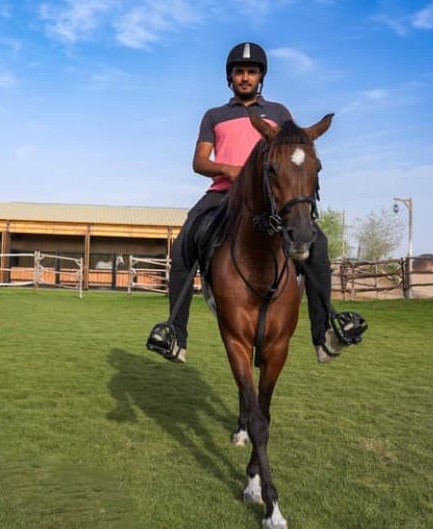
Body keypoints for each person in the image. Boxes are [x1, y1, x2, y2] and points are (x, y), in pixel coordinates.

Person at [145, 42, 365, 364]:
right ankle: (175, 333)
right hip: (222, 194)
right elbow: (199, 161)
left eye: (251, 72)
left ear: (260, 77)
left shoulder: (278, 113)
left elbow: (292, 151)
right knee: (182, 246)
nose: (245, 77)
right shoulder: (214, 116)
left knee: (318, 243)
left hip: (270, 197)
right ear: (230, 77)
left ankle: (324, 333)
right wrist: (228, 170)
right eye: (239, 72)